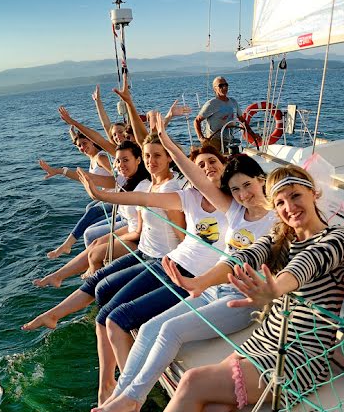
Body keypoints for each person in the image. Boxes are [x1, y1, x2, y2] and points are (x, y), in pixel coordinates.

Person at [106, 164, 344, 412]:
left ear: (314, 195)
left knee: (191, 382)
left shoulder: (335, 238)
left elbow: (304, 268)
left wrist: (274, 288)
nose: (289, 207)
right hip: (265, 342)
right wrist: (203, 282)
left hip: (300, 356)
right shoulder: (281, 235)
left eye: (296, 196)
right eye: (280, 201)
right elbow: (244, 256)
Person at [90, 117, 278, 412]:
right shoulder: (235, 211)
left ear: (261, 180)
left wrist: (197, 282)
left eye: (248, 185)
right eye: (236, 189)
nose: (243, 193)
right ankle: (124, 395)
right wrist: (168, 144)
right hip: (213, 289)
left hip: (242, 301)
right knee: (151, 328)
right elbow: (199, 179)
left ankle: (134, 395)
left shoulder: (274, 220)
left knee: (171, 331)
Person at [23, 132, 185, 404]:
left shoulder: (172, 189)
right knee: (100, 282)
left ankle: (119, 384)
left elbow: (183, 237)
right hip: (146, 251)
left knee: (107, 310)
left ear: (170, 157)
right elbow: (142, 228)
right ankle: (56, 318)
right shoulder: (150, 187)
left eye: (157, 155)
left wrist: (181, 271)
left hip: (162, 261)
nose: (151, 160)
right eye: (148, 156)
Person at [78, 123, 230, 377]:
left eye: (212, 161)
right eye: (200, 165)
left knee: (118, 316)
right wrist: (102, 196)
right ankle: (120, 381)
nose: (206, 168)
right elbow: (143, 199)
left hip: (192, 275)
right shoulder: (189, 197)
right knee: (108, 307)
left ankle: (125, 388)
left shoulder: (235, 203)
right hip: (170, 264)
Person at [33, 140, 148, 288]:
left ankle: (93, 287)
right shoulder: (122, 179)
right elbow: (92, 178)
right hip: (132, 229)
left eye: (126, 160)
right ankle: (57, 276)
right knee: (95, 243)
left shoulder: (143, 186)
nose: (120, 164)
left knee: (95, 254)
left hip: (141, 237)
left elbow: (140, 230)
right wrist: (62, 171)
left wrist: (95, 194)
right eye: (118, 160)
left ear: (138, 160)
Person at [39, 129, 114, 258]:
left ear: (92, 141)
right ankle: (98, 238)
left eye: (84, 143)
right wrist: (57, 171)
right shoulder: (93, 158)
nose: (82, 148)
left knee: (93, 211)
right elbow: (81, 176)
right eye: (79, 146)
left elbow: (119, 178)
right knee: (89, 207)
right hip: (108, 197)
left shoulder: (101, 158)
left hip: (117, 198)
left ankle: (67, 245)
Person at [194, 76, 242, 152]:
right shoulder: (211, 104)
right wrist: (201, 138)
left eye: (226, 85)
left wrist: (251, 133)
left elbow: (242, 119)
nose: (224, 87)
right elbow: (197, 121)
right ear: (214, 88)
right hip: (215, 140)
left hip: (230, 139)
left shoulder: (233, 102)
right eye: (221, 85)